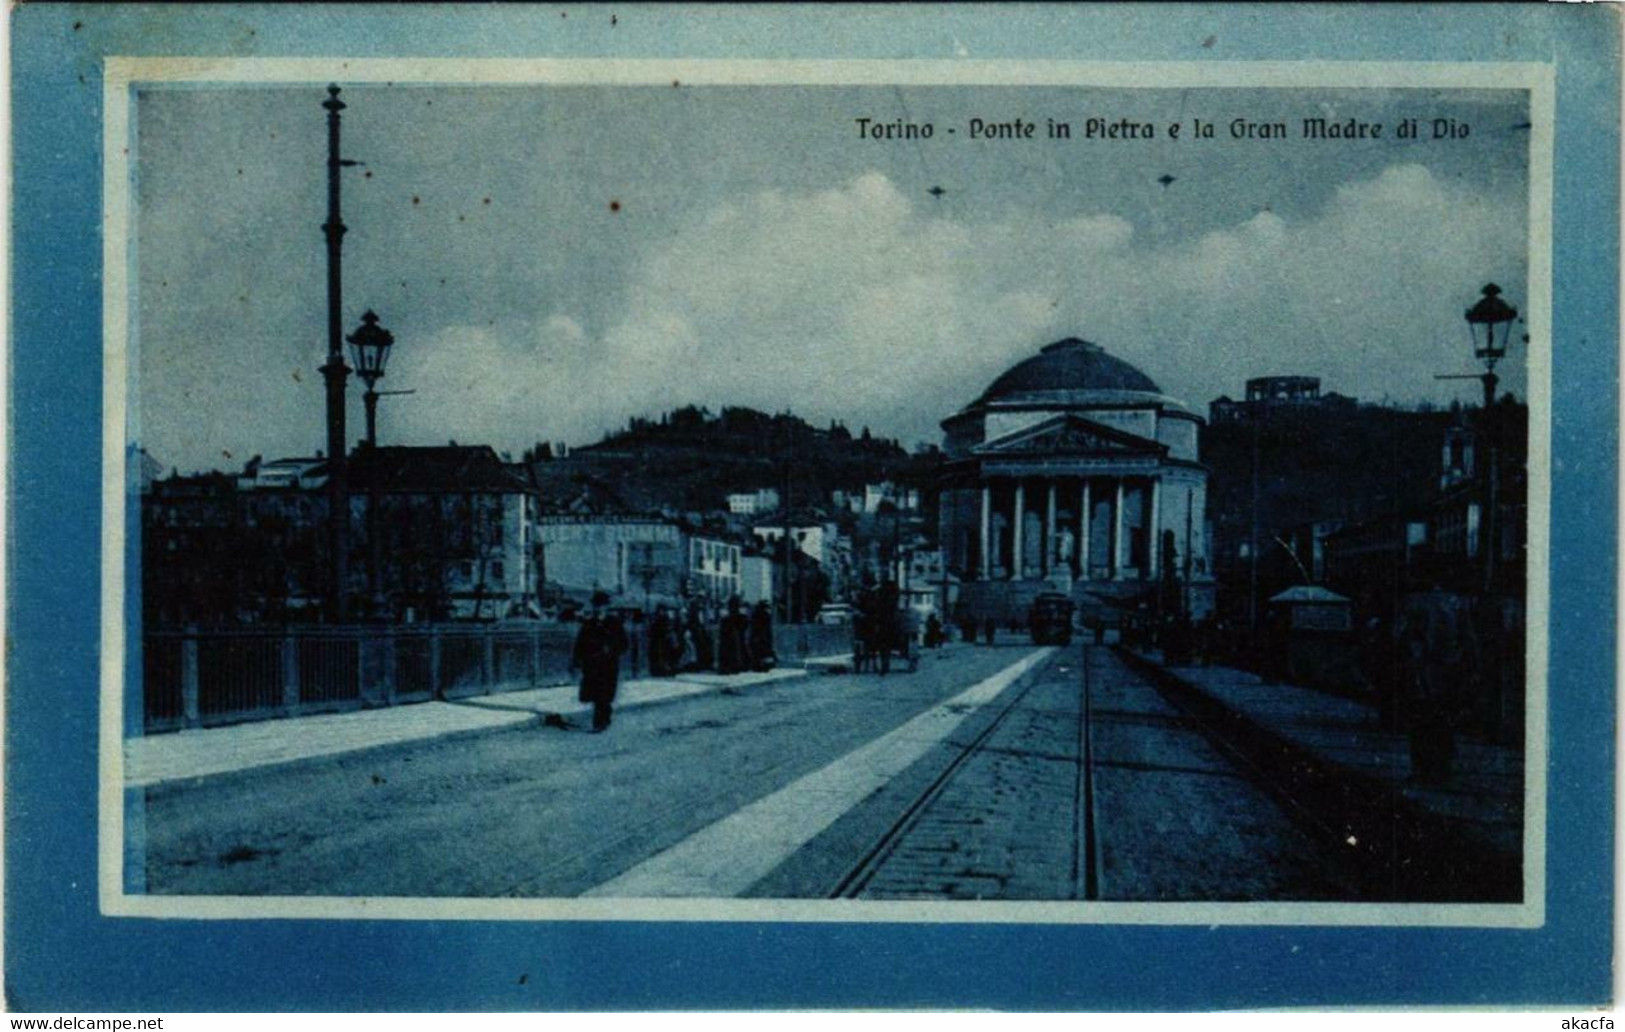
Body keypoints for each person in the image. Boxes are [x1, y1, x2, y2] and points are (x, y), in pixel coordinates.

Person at [571, 590, 628, 733]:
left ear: (606, 607)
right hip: (592, 664)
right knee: (596, 694)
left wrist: (612, 650)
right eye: (596, 605)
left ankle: (602, 720)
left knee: (605, 694)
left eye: (601, 605)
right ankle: (600, 721)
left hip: (609, 665)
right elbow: (580, 643)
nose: (598, 608)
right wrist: (577, 660)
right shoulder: (589, 624)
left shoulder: (614, 623)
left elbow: (624, 643)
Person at [717, 596, 751, 674]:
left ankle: (729, 667)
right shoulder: (739, 616)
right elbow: (744, 625)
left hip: (728, 638)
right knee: (735, 652)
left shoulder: (726, 617)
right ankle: (736, 667)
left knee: (729, 653)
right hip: (735, 637)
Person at [749, 601, 776, 671]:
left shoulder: (756, 615)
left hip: (759, 636)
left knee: (759, 652)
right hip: (762, 637)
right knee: (763, 652)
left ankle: (759, 665)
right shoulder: (764, 615)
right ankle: (764, 665)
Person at [685, 602, 713, 672]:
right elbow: (690, 622)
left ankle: (704, 664)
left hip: (703, 631)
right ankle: (698, 665)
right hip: (696, 631)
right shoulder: (693, 613)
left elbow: (707, 621)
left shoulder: (704, 612)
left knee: (704, 647)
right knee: (697, 648)